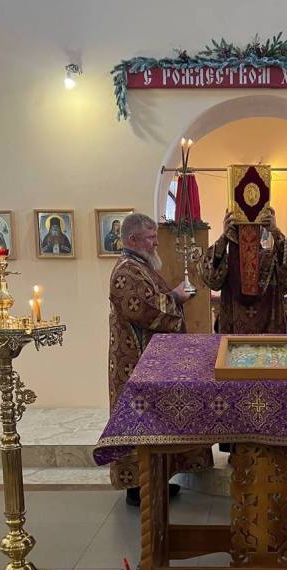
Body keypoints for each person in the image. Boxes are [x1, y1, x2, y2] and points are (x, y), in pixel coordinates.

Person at [108, 212, 208, 506]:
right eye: (150, 238)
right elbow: (144, 309)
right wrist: (176, 297)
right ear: (132, 239)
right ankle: (138, 489)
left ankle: (155, 482)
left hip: (149, 360)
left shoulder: (140, 266)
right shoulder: (127, 271)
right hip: (135, 361)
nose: (155, 243)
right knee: (138, 421)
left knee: (154, 421)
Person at [199, 207, 287, 334]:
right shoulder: (228, 261)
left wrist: (275, 231)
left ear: (260, 230)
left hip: (270, 335)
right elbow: (210, 279)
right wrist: (224, 238)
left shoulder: (271, 259)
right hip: (233, 334)